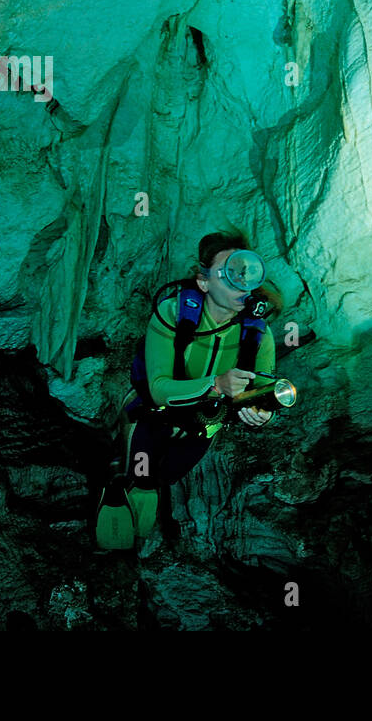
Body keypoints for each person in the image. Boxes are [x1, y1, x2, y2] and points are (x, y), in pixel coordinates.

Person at [95, 229, 281, 550]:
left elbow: (264, 394)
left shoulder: (258, 335)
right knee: (139, 483)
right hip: (151, 417)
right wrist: (216, 384)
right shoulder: (171, 315)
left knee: (161, 482)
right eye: (228, 274)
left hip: (201, 430)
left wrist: (262, 413)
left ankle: (138, 537)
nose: (240, 283)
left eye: (244, 273)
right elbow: (158, 389)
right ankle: (113, 529)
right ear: (204, 282)